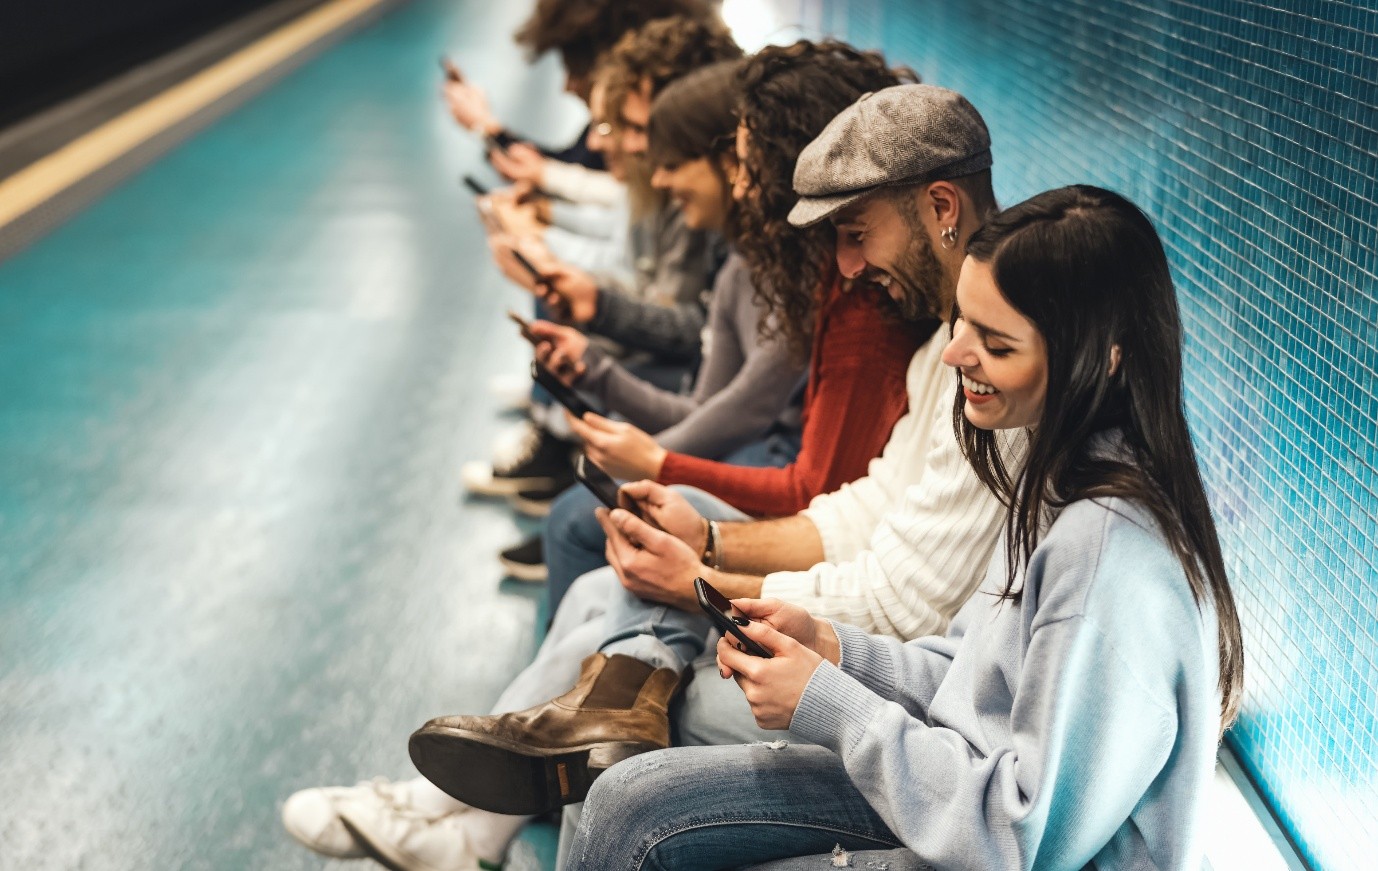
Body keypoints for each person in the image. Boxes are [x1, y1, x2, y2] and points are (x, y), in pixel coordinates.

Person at [565, 184, 1248, 871]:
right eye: (964, 324)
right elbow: (969, 675)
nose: (955, 355)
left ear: (1105, 358)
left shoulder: (1106, 557)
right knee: (625, 799)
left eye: (996, 342)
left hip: (981, 836)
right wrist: (834, 648)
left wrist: (827, 703)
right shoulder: (1058, 481)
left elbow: (1016, 839)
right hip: (948, 788)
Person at [404, 80, 1018, 830]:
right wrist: (707, 546)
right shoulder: (951, 348)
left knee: (643, 705)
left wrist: (702, 575)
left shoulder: (995, 376)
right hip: (868, 634)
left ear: (942, 209)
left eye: (856, 232)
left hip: (896, 684)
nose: (848, 264)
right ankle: (470, 817)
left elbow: (904, 601)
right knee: (617, 615)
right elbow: (863, 509)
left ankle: (462, 816)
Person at [463, 14, 743, 519]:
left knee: (574, 520)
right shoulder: (678, 191)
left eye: (626, 127)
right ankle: (558, 439)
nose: (602, 142)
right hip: (697, 391)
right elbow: (626, 235)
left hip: (688, 388)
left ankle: (558, 448)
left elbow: (687, 330)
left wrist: (583, 289)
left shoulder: (706, 219)